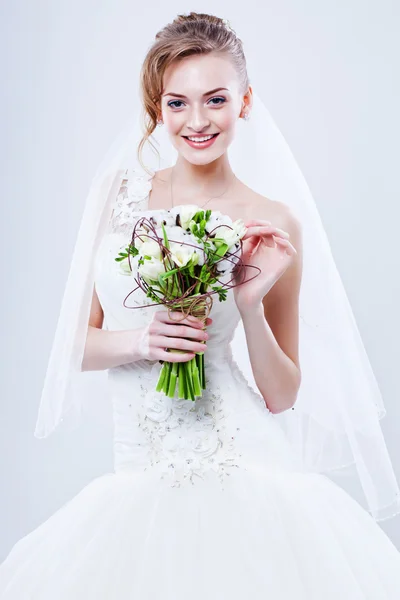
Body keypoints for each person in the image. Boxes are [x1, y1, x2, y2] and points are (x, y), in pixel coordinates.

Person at [1, 11, 400, 599]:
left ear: (244, 102)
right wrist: (141, 341)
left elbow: (283, 393)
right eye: (177, 104)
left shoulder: (271, 220)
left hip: (242, 461)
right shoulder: (117, 197)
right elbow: (73, 347)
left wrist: (251, 304)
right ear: (157, 109)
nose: (196, 121)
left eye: (215, 99)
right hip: (135, 467)